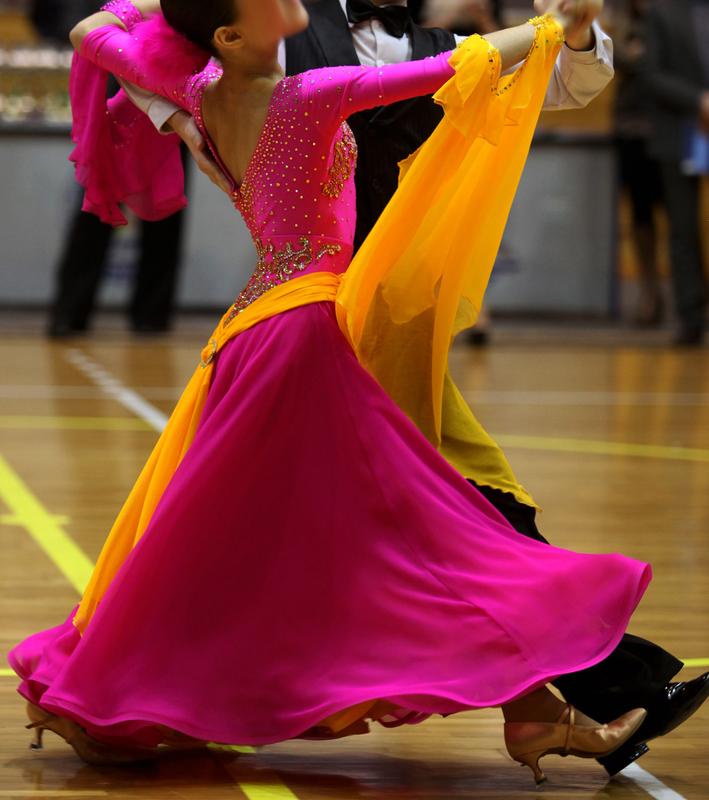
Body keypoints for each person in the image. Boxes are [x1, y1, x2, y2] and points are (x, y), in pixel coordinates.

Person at [8, 0, 667, 786]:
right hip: (304, 337)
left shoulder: (189, 86)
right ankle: (534, 714)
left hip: (253, 328)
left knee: (240, 539)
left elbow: (91, 29)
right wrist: (553, 24)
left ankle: (531, 712)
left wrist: (166, 8)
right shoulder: (308, 93)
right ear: (229, 31)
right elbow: (454, 67)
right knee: (423, 529)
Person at [32, 0, 188, 336]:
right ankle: (70, 312)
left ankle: (152, 315)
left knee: (166, 207)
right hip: (116, 89)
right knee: (95, 203)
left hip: (177, 90)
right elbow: (77, 25)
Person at [642, 0, 708, 346]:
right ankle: (690, 317)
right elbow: (652, 73)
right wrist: (699, 100)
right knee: (682, 228)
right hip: (681, 131)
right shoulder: (663, 12)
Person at [614, 0, 665, 327]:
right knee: (640, 217)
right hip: (632, 133)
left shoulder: (674, 21)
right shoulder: (622, 24)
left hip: (669, 131)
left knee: (682, 219)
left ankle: (689, 295)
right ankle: (650, 291)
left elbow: (643, 62)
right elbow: (618, 57)